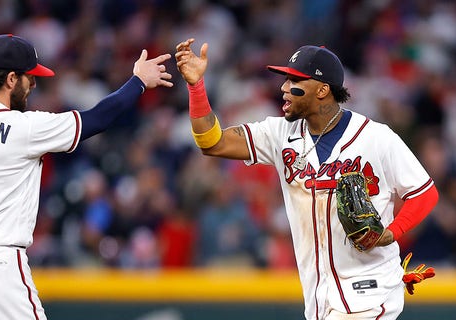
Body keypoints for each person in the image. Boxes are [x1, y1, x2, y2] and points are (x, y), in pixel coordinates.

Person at [0, 34, 172, 319]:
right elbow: (96, 119)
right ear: (11, 79)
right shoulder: (23, 126)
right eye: (29, 77)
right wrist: (138, 82)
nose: (34, 84)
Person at [175, 38, 439, 320]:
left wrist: (391, 233)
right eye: (285, 80)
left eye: (294, 81)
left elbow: (424, 193)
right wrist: (196, 86)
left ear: (323, 90)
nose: (284, 88)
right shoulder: (278, 135)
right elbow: (212, 143)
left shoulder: (377, 138)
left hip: (371, 290)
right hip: (319, 295)